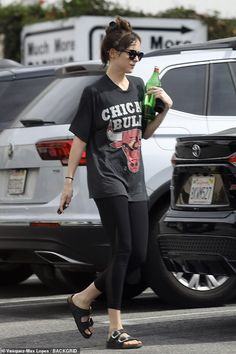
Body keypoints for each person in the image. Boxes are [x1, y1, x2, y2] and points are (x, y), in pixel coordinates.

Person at [59, 16, 173, 350]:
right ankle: (115, 329)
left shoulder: (138, 87)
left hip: (134, 177)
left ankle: (82, 299)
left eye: (139, 55)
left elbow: (144, 134)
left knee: (138, 253)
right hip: (107, 177)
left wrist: (164, 108)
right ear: (112, 53)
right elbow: (79, 141)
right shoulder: (94, 92)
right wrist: (68, 182)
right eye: (132, 54)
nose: (137, 60)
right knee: (122, 249)